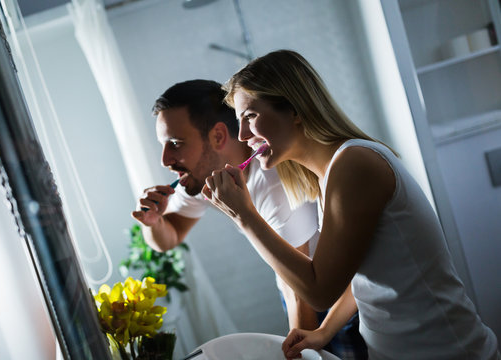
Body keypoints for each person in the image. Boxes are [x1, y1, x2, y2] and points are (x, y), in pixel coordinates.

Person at [202, 50, 500, 359]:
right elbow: (357, 276)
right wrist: (324, 331)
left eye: (250, 117)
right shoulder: (329, 174)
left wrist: (245, 216)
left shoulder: (354, 164)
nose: (243, 135)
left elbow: (320, 291)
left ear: (295, 109)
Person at [131, 80, 367, 359]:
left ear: (218, 137)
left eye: (175, 144)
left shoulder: (273, 181)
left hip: (341, 297)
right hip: (293, 283)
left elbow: (302, 293)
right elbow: (168, 238)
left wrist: (297, 354)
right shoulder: (200, 176)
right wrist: (154, 222)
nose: (165, 159)